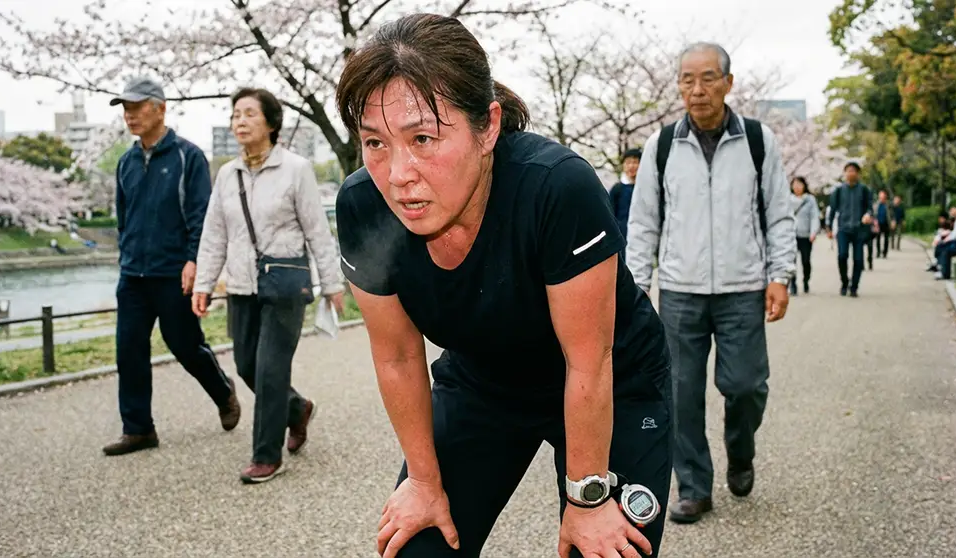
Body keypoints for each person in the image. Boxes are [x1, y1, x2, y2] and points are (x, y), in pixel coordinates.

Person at [334, 13, 673, 558]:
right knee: (419, 549)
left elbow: (589, 360)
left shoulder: (557, 187)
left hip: (610, 379)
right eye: (375, 142)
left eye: (423, 138)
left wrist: (587, 499)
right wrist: (423, 482)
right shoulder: (364, 206)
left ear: (488, 127)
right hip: (483, 384)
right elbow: (397, 356)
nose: (398, 174)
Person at [625, 42, 796, 525]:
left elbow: (779, 213)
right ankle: (694, 486)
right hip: (681, 290)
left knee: (745, 386)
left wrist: (779, 276)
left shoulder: (757, 141)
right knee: (680, 393)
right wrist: (638, 286)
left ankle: (740, 452)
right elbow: (643, 222)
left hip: (743, 288)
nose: (696, 90)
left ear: (728, 83)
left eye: (707, 78)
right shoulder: (662, 146)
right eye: (687, 79)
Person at [192, 88, 345, 484]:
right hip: (242, 284)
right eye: (235, 115)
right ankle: (296, 409)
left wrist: (332, 284)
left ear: (272, 123)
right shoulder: (228, 174)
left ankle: (266, 455)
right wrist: (204, 284)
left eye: (249, 114)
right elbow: (214, 234)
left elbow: (317, 230)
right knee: (247, 366)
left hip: (284, 283)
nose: (239, 121)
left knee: (271, 369)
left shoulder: (296, 169)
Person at [103, 77, 240, 456]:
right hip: (133, 274)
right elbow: (123, 217)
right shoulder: (126, 162)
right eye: (125, 109)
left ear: (160, 108)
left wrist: (194, 260)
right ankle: (138, 429)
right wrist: (125, 257)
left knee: (185, 345)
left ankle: (222, 391)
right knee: (128, 349)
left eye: (136, 107)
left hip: (174, 272)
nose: (129, 115)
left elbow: (201, 215)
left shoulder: (187, 157)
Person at [826, 162, 873, 298]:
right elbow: (832, 209)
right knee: (842, 256)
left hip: (859, 229)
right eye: (848, 171)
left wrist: (868, 214)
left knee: (858, 260)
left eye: (853, 171)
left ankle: (854, 287)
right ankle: (844, 282)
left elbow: (870, 207)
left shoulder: (864, 190)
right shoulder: (839, 191)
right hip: (843, 229)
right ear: (844, 173)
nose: (851, 173)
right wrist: (828, 227)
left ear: (858, 174)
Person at [790, 177, 820, 295]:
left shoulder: (810, 200)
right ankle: (793, 284)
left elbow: (814, 216)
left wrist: (813, 232)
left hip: (806, 235)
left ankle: (806, 280)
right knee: (791, 262)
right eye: (795, 184)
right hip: (791, 235)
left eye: (799, 184)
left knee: (806, 261)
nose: (797, 187)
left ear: (804, 186)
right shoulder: (787, 199)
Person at [609, 148, 641, 241]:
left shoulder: (647, 188)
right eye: (628, 162)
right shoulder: (617, 189)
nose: (631, 166)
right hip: (622, 237)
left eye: (635, 162)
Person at [931, 205, 956, 280]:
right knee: (940, 247)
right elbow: (954, 233)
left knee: (945, 250)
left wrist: (946, 240)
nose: (951, 212)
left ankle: (943, 272)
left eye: (952, 210)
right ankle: (940, 267)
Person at [874, 190, 891, 259]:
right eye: (881, 197)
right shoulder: (876, 205)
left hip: (886, 223)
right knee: (878, 239)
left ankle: (885, 253)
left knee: (886, 239)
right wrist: (874, 222)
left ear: (885, 197)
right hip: (878, 224)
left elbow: (891, 214)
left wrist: (892, 221)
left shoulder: (888, 205)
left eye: (883, 197)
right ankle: (878, 252)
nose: (882, 198)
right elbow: (873, 214)